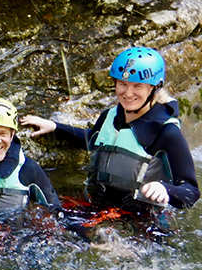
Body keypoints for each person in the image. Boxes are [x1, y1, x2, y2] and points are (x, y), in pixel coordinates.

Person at [20, 46, 199, 211]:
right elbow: (92, 138)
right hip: (98, 205)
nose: (128, 93)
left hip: (139, 218)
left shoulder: (167, 132)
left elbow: (191, 192)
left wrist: (165, 189)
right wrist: (55, 127)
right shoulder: (110, 116)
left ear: (154, 88)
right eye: (122, 84)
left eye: (138, 86)